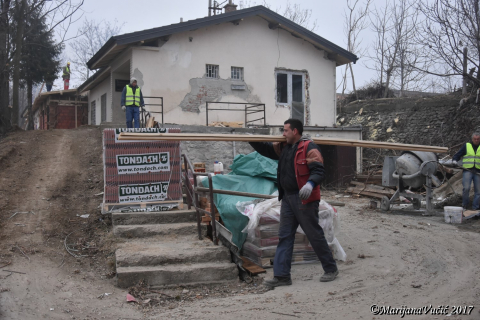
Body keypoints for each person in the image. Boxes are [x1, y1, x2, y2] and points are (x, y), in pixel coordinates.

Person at [249, 118, 338, 288]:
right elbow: (267, 150)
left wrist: (310, 184)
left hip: (305, 198)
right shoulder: (285, 147)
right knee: (285, 236)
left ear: (295, 131)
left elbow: (319, 170)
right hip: (288, 198)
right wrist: (251, 139)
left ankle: (331, 268)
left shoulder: (309, 147)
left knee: (314, 234)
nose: (283, 134)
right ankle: (282, 276)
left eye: (285, 130)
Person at [453, 132, 480, 210]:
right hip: (468, 170)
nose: (476, 140)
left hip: (478, 171)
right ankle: (465, 206)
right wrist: (455, 160)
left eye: (478, 139)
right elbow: (458, 154)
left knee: (478, 191)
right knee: (466, 189)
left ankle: (475, 207)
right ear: (472, 139)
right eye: (475, 139)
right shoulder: (467, 146)